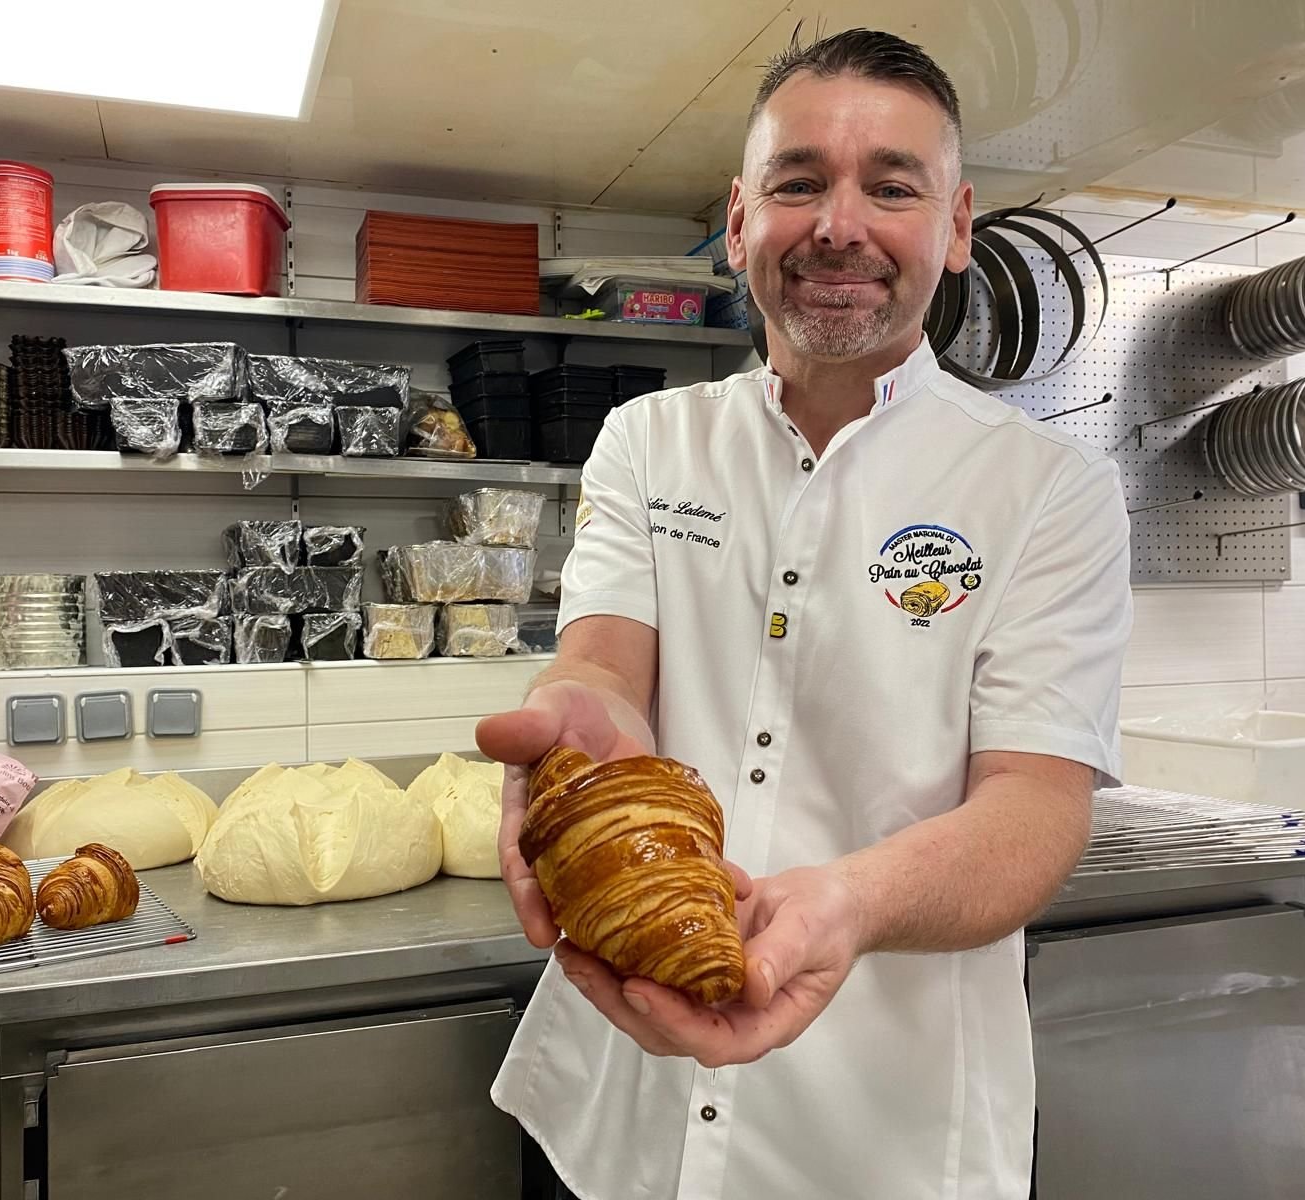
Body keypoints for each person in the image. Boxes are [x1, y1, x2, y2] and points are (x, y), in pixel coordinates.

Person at [476, 27, 1133, 1200]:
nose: (839, 224)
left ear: (955, 225)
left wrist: (850, 902)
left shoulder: (1047, 488)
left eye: (891, 186)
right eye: (798, 183)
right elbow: (604, 670)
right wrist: (567, 710)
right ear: (739, 221)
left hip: (882, 1137)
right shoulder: (648, 439)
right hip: (618, 1115)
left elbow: (1035, 808)